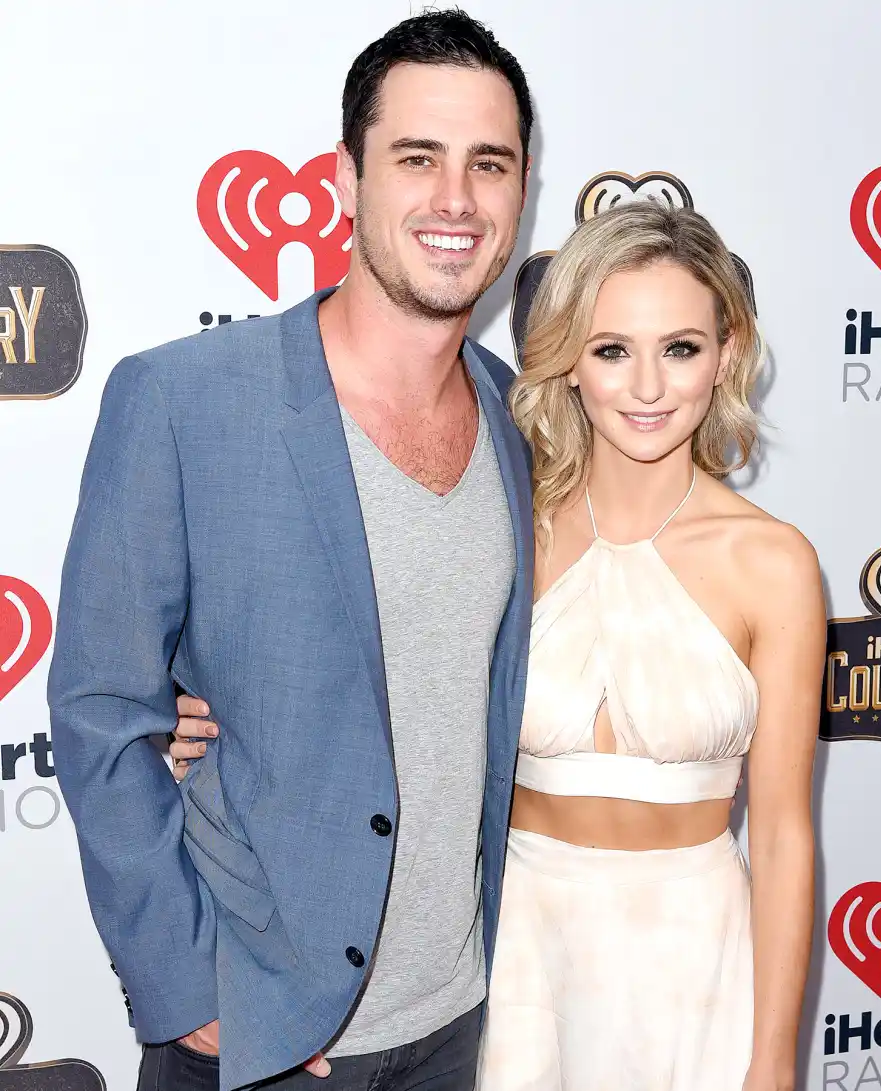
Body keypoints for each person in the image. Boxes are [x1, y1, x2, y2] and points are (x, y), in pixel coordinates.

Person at [173, 201, 825, 1090]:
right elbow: (369, 661)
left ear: (727, 355)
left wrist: (774, 1059)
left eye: (680, 347)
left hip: (695, 958)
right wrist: (200, 715)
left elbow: (785, 833)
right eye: (610, 350)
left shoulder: (773, 562)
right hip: (517, 952)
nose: (646, 387)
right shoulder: (508, 524)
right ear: (568, 362)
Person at [48, 11, 535, 1091]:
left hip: (460, 1021)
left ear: (519, 193)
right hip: (262, 1038)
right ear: (345, 178)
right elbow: (96, 710)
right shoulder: (182, 400)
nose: (454, 199)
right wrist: (192, 991)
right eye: (417, 158)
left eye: (487, 165)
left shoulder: (521, 420)